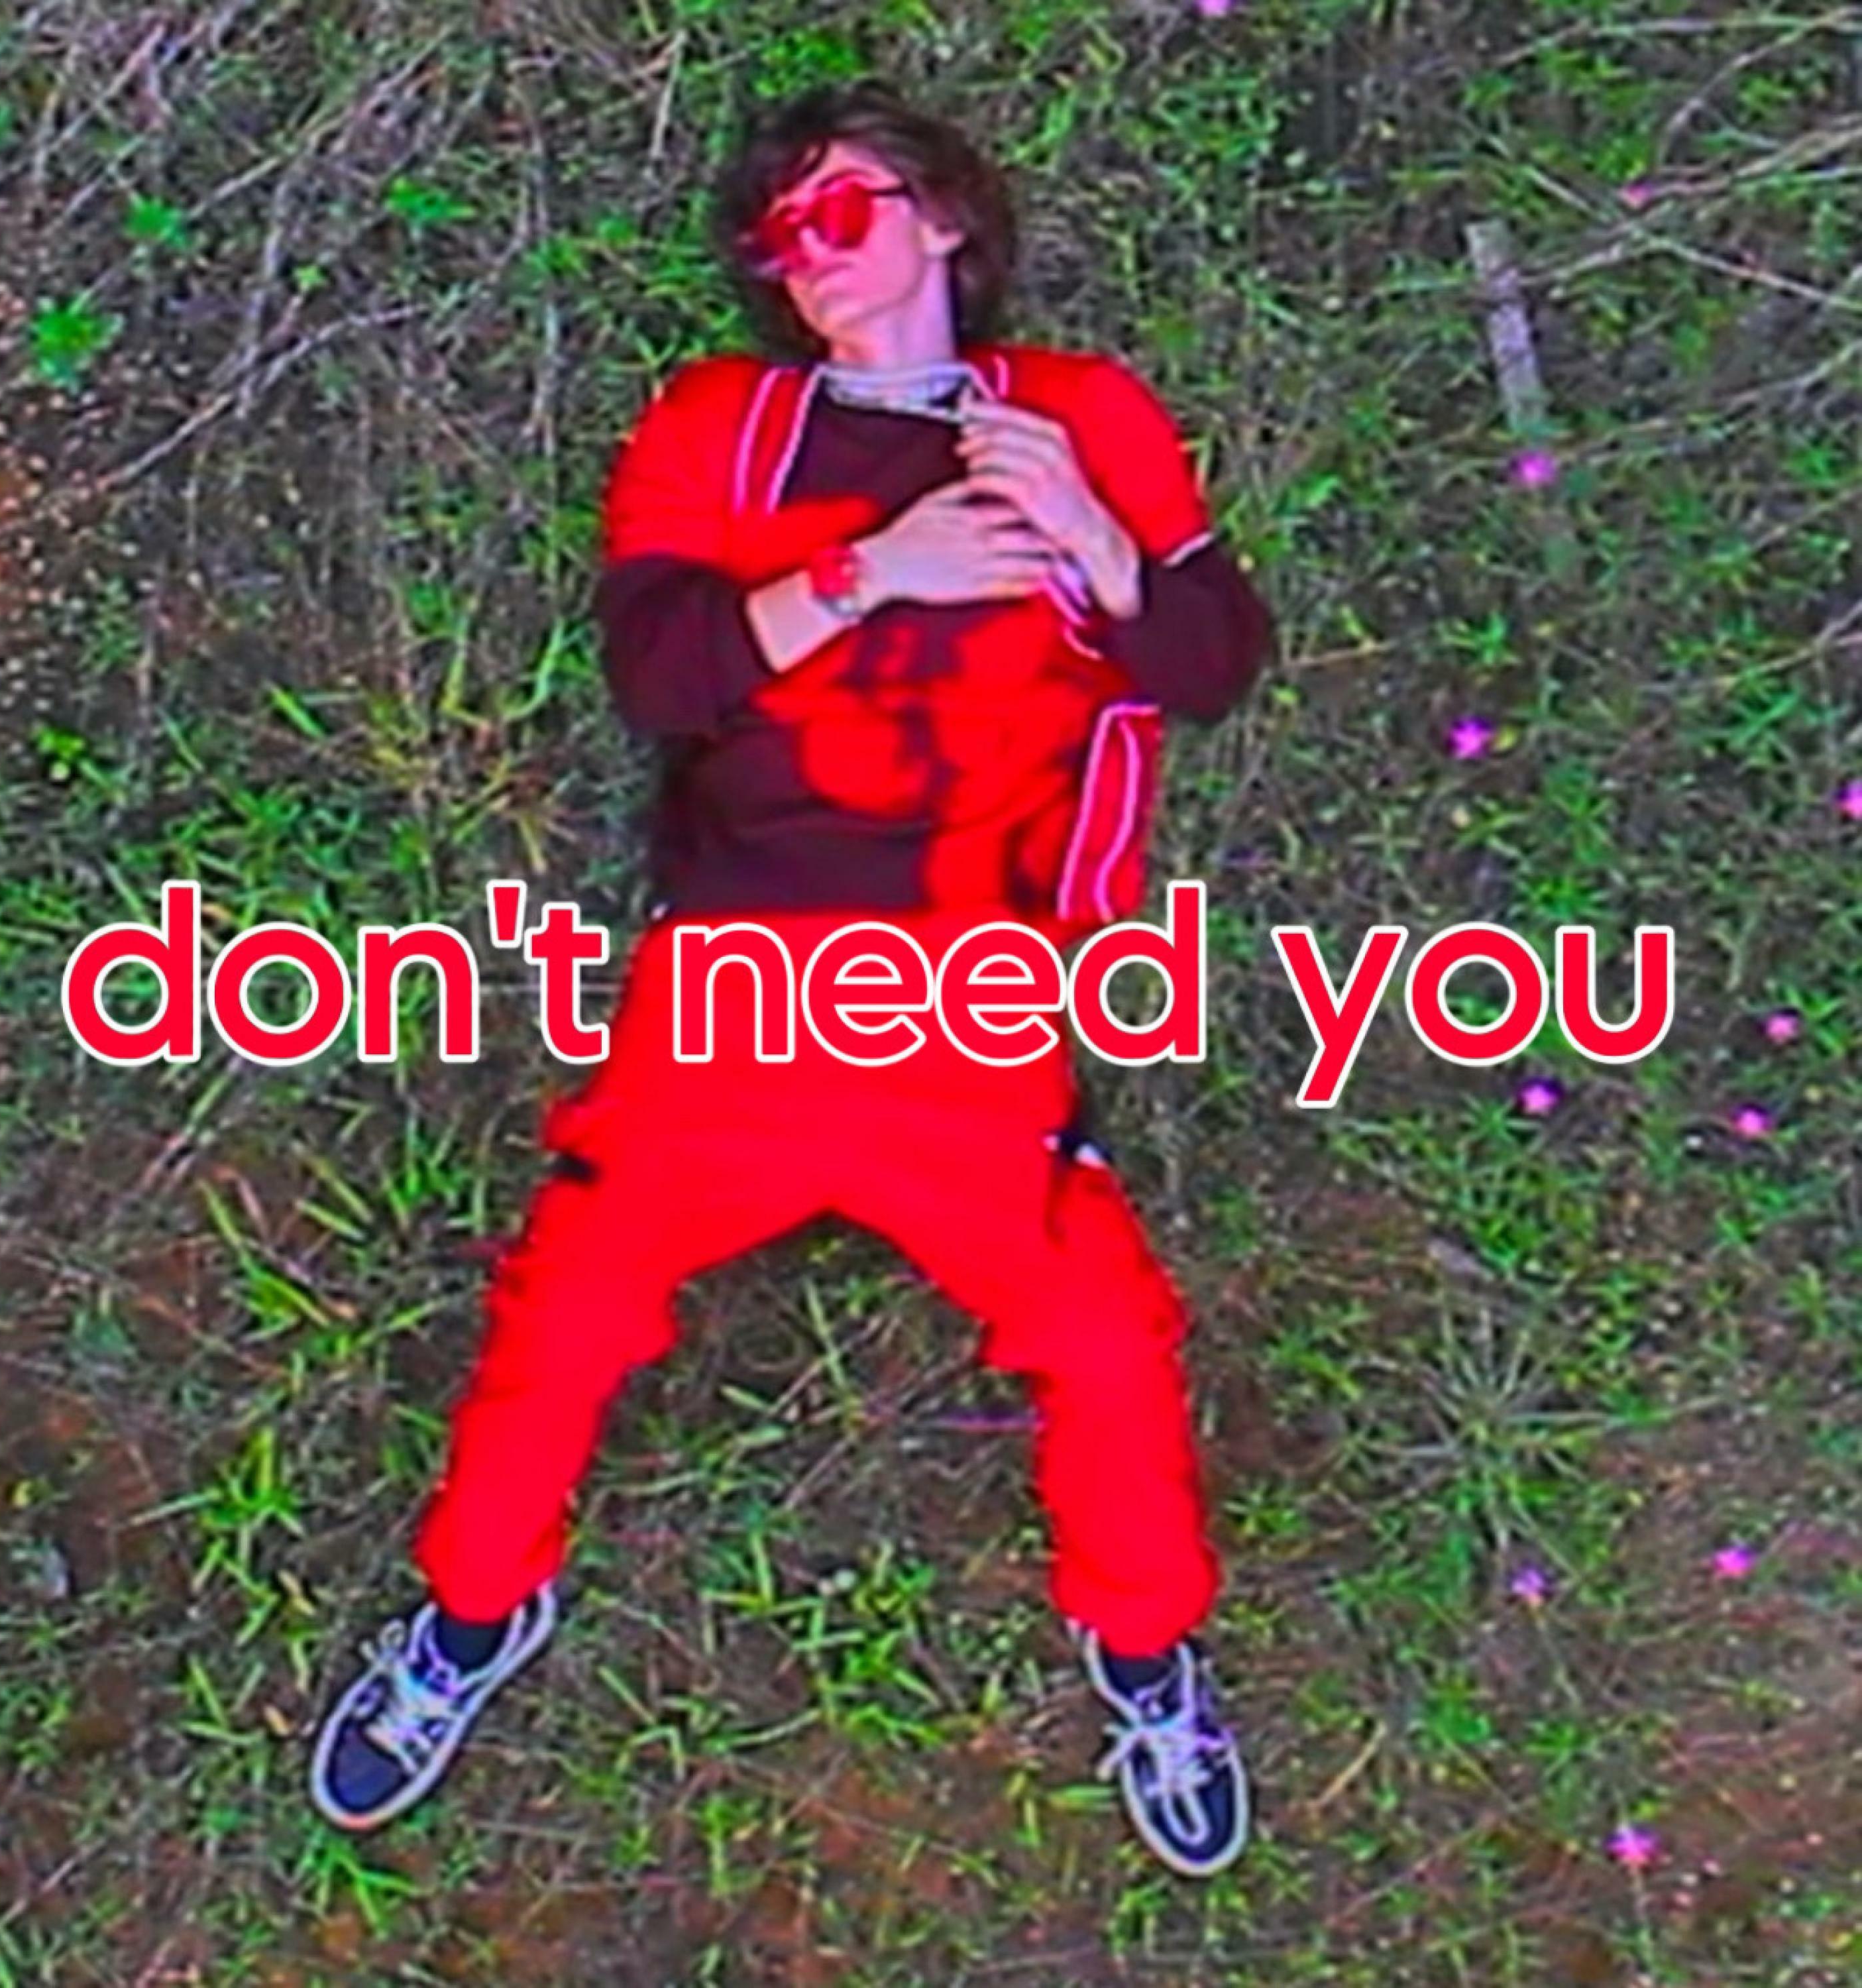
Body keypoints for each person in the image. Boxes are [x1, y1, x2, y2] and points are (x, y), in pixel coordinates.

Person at [310, 78, 1276, 1879]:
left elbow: (1210, 666)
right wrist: (871, 570)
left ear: (942, 218)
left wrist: (1091, 536)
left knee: (1100, 1329)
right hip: (737, 981)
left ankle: (1146, 1648)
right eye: (775, 235)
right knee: (566, 1307)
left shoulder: (1079, 415)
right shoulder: (723, 425)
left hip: (968, 989)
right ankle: (472, 1614)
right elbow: (663, 679)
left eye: (839, 211)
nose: (801, 254)